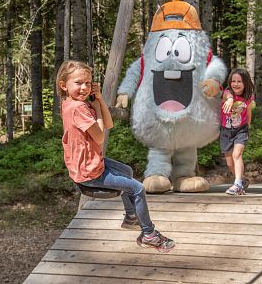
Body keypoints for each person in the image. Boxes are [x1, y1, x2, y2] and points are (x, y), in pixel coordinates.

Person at [56, 60, 175, 252]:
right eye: (78, 83)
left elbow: (108, 124)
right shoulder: (78, 108)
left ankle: (131, 218)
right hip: (90, 171)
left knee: (127, 171)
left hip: (88, 164)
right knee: (137, 189)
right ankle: (149, 235)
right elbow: (100, 136)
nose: (84, 87)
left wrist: (100, 100)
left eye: (88, 82)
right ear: (63, 85)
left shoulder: (71, 103)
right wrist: (97, 112)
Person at [220, 68, 255, 195]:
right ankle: (241, 180)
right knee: (229, 161)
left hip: (241, 129)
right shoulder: (227, 92)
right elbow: (227, 95)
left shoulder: (248, 95)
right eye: (233, 81)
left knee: (237, 155)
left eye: (239, 81)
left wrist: (248, 126)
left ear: (245, 82)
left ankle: (238, 184)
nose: (236, 84)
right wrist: (230, 99)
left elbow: (249, 110)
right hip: (226, 131)